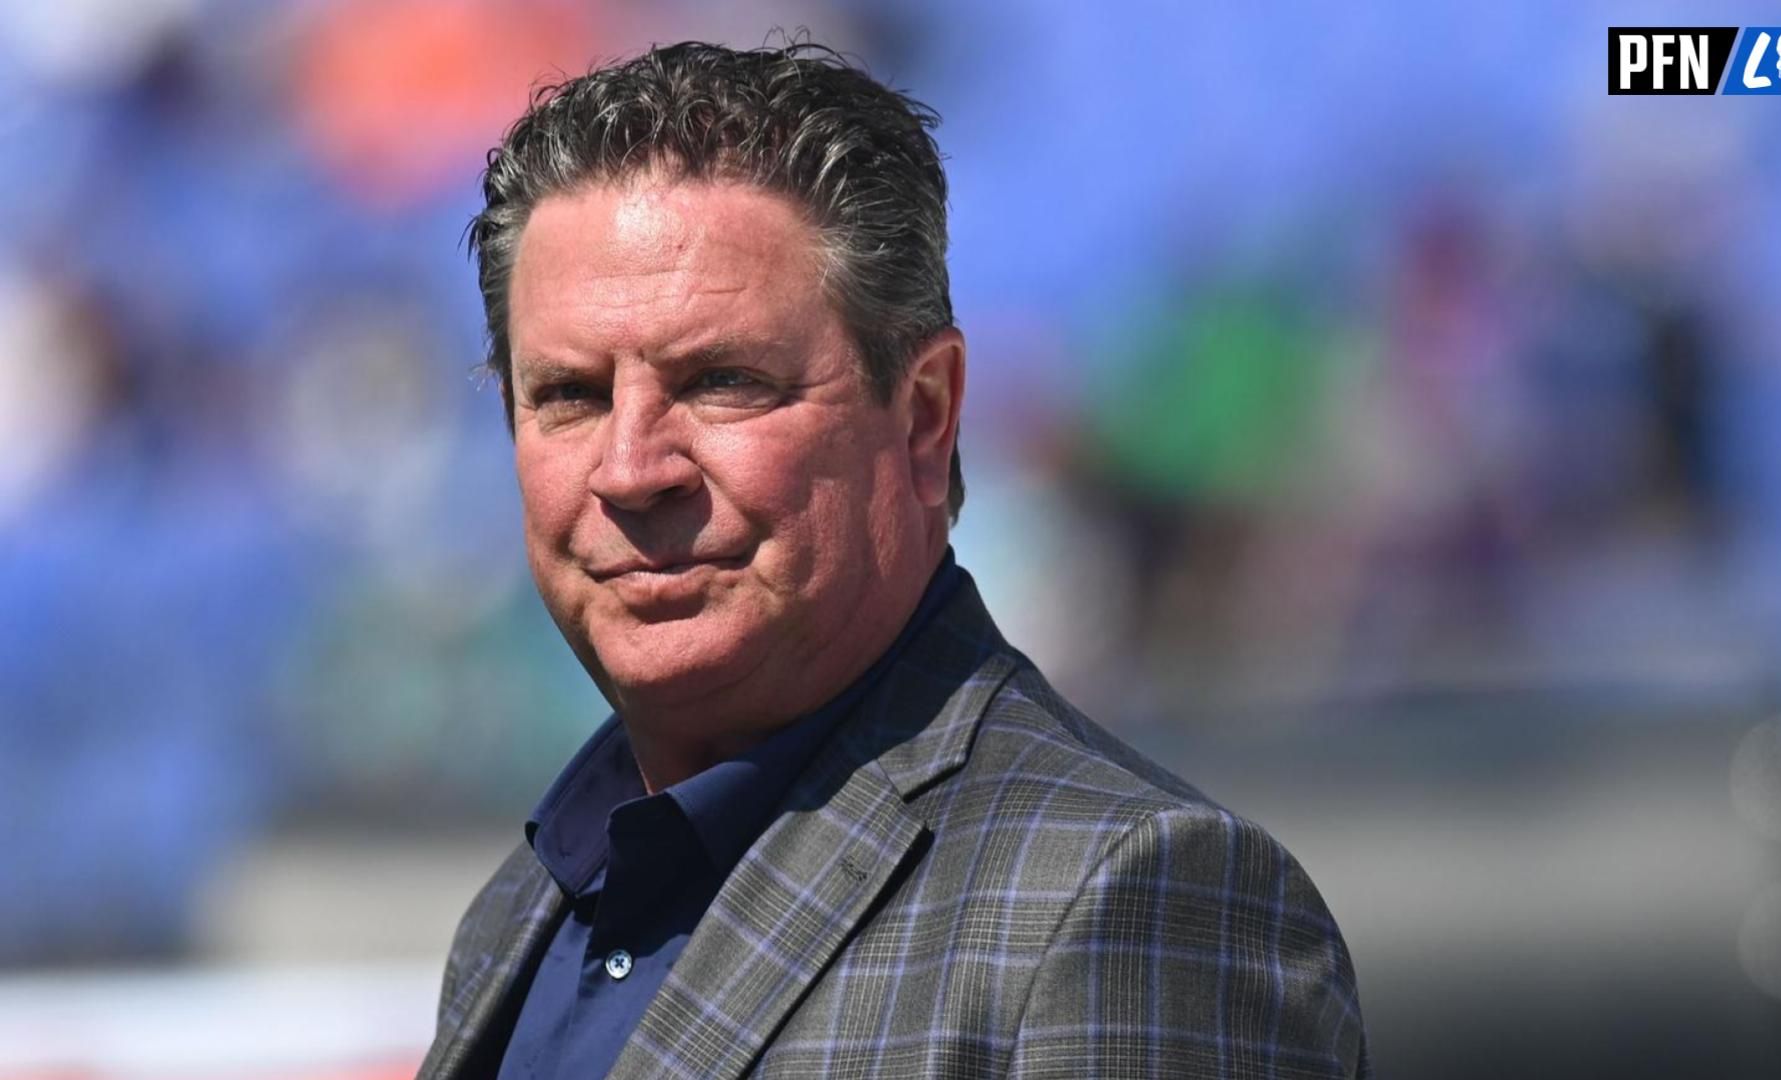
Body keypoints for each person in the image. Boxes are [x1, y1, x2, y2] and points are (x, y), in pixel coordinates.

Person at [417, 41, 1369, 1080]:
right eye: (569, 396)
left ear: (925, 418)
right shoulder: (519, 914)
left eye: (723, 381)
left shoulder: (1128, 897)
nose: (632, 470)